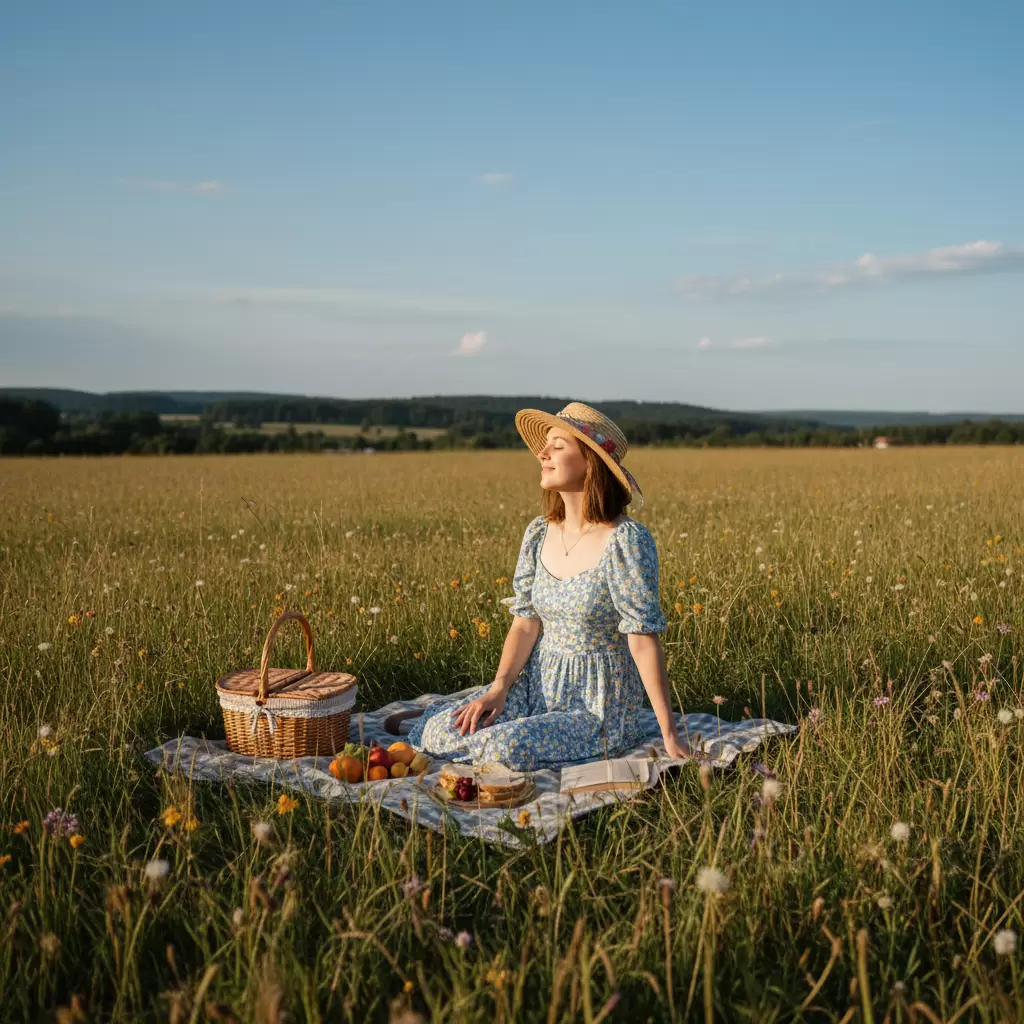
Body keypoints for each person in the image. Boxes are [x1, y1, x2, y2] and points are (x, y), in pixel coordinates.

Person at [406, 401, 690, 770]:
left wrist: (668, 732)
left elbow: (641, 637)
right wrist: (499, 688)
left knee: (501, 748)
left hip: (596, 704)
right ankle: (443, 714)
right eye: (546, 446)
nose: (543, 453)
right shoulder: (539, 532)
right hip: (538, 683)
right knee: (441, 732)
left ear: (591, 462)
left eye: (558, 446)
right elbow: (526, 622)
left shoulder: (625, 540)